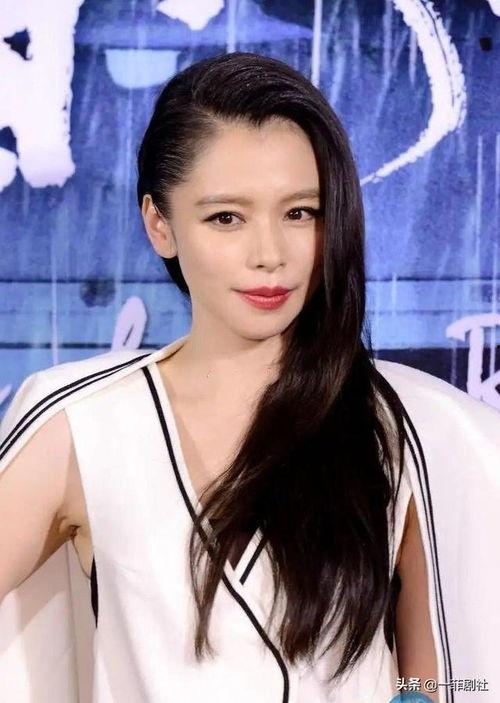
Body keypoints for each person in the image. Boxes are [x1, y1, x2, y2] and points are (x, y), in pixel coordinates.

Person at [0, 52, 499, 703]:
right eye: (226, 217)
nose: (270, 255)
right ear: (159, 224)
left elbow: (437, 679)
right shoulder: (84, 423)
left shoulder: (406, 426)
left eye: (300, 213)